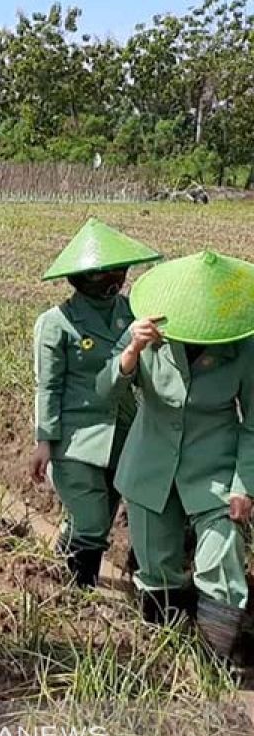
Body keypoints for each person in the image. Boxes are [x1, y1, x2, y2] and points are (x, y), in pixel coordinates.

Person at [98, 250, 254, 658]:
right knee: (156, 567)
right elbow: (105, 390)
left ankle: (215, 658)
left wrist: (244, 484)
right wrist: (130, 351)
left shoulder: (244, 345)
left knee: (222, 556)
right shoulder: (148, 333)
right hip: (151, 467)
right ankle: (171, 647)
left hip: (214, 469)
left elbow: (253, 423)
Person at [30, 219, 162, 587]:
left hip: (122, 434)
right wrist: (44, 440)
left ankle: (61, 577)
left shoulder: (134, 314)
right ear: (81, 277)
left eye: (119, 271)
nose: (114, 279)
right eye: (103, 273)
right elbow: (48, 386)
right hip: (75, 437)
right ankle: (78, 593)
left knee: (97, 521)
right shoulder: (56, 323)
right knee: (89, 523)